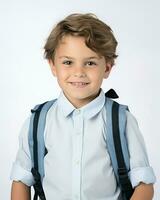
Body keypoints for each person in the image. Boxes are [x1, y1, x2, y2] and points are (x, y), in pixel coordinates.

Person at [10, 13, 156, 200]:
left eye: (90, 63)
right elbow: (21, 179)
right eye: (68, 62)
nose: (78, 72)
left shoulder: (121, 120)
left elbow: (143, 183)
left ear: (107, 68)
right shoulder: (38, 121)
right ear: (53, 66)